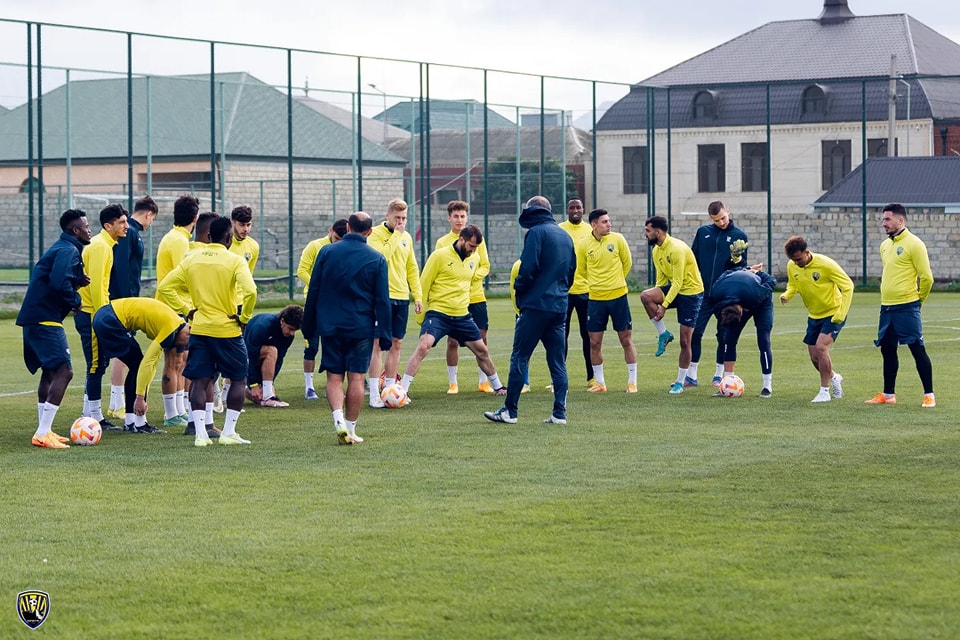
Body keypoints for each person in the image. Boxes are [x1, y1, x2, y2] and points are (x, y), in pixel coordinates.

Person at [157, 215, 258, 446]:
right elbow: (251, 291)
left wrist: (187, 309)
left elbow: (165, 287)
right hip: (227, 330)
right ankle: (228, 432)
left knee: (200, 380)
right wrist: (244, 317)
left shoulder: (191, 259)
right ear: (229, 238)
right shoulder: (235, 261)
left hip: (200, 329)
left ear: (209, 236)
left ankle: (201, 434)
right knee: (238, 378)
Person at [301, 212, 392, 445]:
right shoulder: (377, 259)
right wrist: (385, 334)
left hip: (330, 325)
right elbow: (382, 300)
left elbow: (314, 290)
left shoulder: (326, 252)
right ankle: (350, 429)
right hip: (360, 327)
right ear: (369, 232)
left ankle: (338, 420)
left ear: (348, 227)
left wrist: (308, 324)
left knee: (334, 376)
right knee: (356, 378)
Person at [484, 196, 575, 425]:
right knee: (557, 361)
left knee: (520, 356)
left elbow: (528, 267)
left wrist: (521, 291)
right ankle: (559, 413)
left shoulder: (536, 233)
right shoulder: (565, 235)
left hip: (536, 305)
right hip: (559, 305)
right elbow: (571, 271)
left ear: (532, 211)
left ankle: (510, 411)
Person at [400, 225, 507, 398]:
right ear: (461, 240)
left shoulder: (474, 259)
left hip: (462, 315)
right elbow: (424, 283)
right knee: (424, 346)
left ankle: (499, 387)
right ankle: (402, 391)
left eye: (476, 248)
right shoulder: (439, 256)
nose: (473, 251)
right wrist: (421, 316)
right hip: (438, 313)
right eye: (471, 246)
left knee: (482, 350)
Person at [17, 209, 91, 449]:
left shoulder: (62, 247)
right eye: (86, 226)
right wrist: (76, 301)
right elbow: (58, 282)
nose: (90, 230)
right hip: (44, 318)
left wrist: (77, 280)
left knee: (50, 372)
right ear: (76, 230)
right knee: (64, 371)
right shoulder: (69, 250)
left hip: (35, 317)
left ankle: (44, 430)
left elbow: (55, 277)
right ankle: (42, 432)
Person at [865, 203, 935, 407]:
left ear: (900, 220)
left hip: (907, 306)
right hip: (887, 307)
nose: (883, 223)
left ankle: (929, 395)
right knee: (887, 349)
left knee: (917, 349)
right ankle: (888, 395)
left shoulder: (915, 244)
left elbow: (927, 278)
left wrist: (919, 301)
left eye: (887, 219)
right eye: (883, 219)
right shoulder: (884, 245)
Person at [91, 297, 191, 432]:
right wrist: (140, 398)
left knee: (129, 365)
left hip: (105, 314)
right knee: (138, 365)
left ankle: (130, 421)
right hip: (110, 319)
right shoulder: (171, 329)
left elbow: (152, 364)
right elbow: (148, 363)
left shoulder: (176, 322)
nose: (183, 348)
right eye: (185, 345)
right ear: (188, 333)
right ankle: (138, 423)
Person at [780, 236, 854, 402]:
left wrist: (841, 313)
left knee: (821, 348)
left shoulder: (826, 264)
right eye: (793, 260)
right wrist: (787, 295)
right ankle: (834, 377)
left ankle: (824, 392)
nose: (796, 263)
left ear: (807, 252)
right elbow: (793, 284)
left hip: (833, 313)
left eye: (798, 259)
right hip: (814, 315)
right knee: (815, 358)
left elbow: (848, 286)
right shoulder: (792, 265)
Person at [75, 203, 129, 428]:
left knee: (99, 363)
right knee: (96, 364)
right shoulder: (100, 247)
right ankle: (94, 416)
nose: (126, 226)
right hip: (91, 313)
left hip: (93, 312)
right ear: (108, 226)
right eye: (121, 222)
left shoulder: (104, 244)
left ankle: (88, 412)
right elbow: (97, 286)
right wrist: (103, 317)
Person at [366, 199, 423, 408]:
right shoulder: (374, 234)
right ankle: (374, 394)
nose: (401, 222)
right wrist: (397, 235)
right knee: (377, 344)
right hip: (381, 297)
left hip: (401, 297)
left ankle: (390, 391)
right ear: (387, 215)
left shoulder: (407, 237)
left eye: (404, 218)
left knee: (396, 343)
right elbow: (380, 259)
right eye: (397, 217)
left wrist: (417, 295)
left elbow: (412, 268)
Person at [106, 195, 159, 419]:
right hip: (123, 303)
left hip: (124, 300)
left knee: (123, 351)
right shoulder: (131, 233)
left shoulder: (132, 232)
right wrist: (126, 300)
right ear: (148, 214)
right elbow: (121, 267)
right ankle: (118, 402)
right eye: (152, 219)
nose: (151, 223)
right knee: (123, 351)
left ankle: (116, 401)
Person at [688, 201, 750, 388]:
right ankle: (691, 375)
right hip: (703, 294)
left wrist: (736, 258)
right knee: (694, 332)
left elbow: (741, 268)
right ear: (710, 218)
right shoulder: (703, 233)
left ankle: (718, 375)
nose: (721, 222)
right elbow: (693, 260)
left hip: (725, 295)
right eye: (716, 220)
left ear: (728, 212)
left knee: (724, 335)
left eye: (723, 218)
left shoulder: (739, 236)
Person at [574, 208, 636, 393]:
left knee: (626, 340)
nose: (609, 224)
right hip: (595, 299)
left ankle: (632, 382)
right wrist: (597, 284)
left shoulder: (618, 239)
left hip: (619, 297)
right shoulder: (584, 244)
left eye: (609, 221)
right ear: (594, 225)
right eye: (604, 222)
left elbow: (627, 263)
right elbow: (582, 269)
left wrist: (616, 281)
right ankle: (600, 383)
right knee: (594, 342)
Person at [641, 215, 705, 394]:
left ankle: (680, 382)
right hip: (676, 289)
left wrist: (664, 306)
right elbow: (662, 280)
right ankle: (663, 333)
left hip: (691, 293)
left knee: (685, 341)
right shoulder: (656, 250)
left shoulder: (676, 249)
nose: (645, 234)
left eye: (647, 230)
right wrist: (658, 298)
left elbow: (678, 282)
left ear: (658, 232)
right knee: (646, 296)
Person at [434, 200, 492, 394]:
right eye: (456, 216)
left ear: (467, 218)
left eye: (462, 216)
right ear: (449, 218)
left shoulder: (477, 239)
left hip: (476, 297)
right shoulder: (442, 243)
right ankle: (453, 383)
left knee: (481, 339)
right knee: (452, 341)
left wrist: (471, 276)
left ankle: (484, 382)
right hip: (454, 300)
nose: (459, 220)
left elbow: (485, 265)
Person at [154, 194, 200, 427]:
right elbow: (183, 278)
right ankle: (171, 413)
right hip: (172, 308)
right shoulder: (179, 241)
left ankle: (179, 410)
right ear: (195, 218)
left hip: (177, 306)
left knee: (181, 360)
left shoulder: (175, 237)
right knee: (173, 359)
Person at [296, 218, 347, 400]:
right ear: (330, 230)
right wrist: (319, 286)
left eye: (342, 240)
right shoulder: (315, 246)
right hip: (315, 303)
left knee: (334, 345)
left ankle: (332, 386)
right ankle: (309, 387)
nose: (338, 242)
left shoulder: (345, 250)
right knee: (312, 345)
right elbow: (302, 270)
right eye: (336, 238)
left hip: (336, 305)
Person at [711, 267, 776, 397]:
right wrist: (742, 269)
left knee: (764, 341)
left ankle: (767, 386)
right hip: (738, 297)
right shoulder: (717, 292)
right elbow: (726, 272)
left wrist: (757, 272)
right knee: (728, 339)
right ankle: (728, 383)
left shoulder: (756, 294)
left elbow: (771, 281)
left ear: (741, 312)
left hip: (762, 303)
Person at [220, 204, 260, 406]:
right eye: (242, 225)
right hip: (220, 303)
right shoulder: (224, 243)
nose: (246, 229)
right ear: (232, 223)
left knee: (236, 352)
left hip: (239, 306)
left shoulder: (253, 247)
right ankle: (215, 393)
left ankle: (224, 396)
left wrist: (244, 309)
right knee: (217, 349)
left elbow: (248, 279)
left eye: (249, 225)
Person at [558, 198, 595, 389]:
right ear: (567, 210)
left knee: (588, 336)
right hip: (563, 291)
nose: (575, 210)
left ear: (583, 209)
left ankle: (592, 377)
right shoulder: (559, 229)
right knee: (560, 336)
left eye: (578, 207)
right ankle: (558, 379)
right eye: (571, 207)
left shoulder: (590, 230)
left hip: (586, 292)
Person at [243, 305, 303, 408]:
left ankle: (266, 396)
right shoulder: (262, 326)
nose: (292, 333)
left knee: (260, 397)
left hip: (257, 359)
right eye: (290, 329)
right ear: (282, 321)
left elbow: (278, 360)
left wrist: (268, 384)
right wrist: (254, 385)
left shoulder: (289, 336)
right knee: (272, 350)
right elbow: (249, 356)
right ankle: (236, 383)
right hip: (241, 357)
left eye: (295, 330)